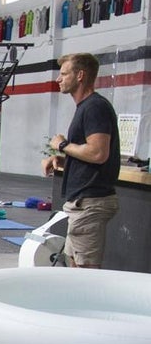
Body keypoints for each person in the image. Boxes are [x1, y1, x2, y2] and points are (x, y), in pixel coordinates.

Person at [41, 52, 121, 268]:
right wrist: (64, 160)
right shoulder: (85, 108)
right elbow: (92, 156)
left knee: (85, 272)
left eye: (64, 74)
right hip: (81, 202)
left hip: (90, 202)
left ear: (80, 76)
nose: (59, 79)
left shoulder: (95, 106)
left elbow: (98, 153)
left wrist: (62, 145)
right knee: (74, 265)